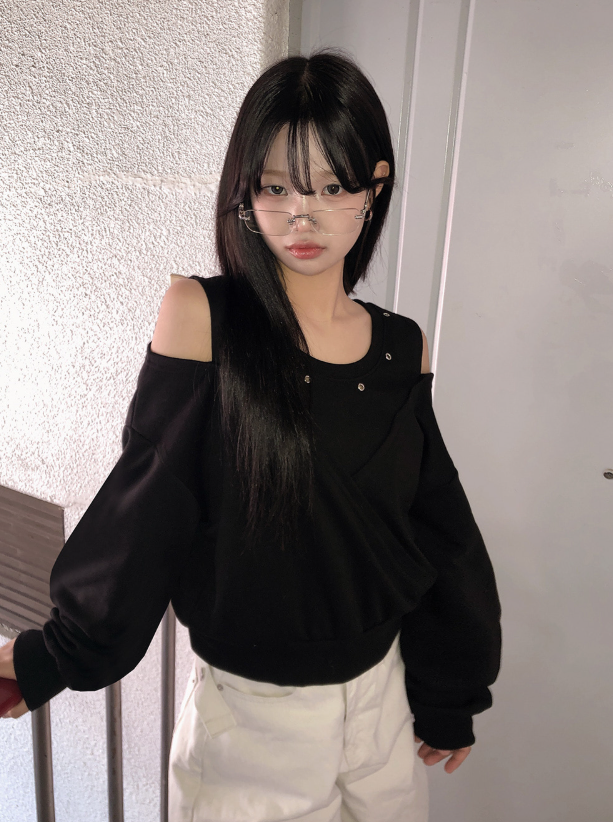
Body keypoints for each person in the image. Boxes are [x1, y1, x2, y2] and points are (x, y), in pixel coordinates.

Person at [0, 50, 501, 821]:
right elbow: (146, 509)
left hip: (384, 708)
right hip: (252, 726)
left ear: (374, 187)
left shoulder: (403, 347)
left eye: (331, 187)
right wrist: (52, 657)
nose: (303, 216)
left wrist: (451, 689)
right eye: (276, 188)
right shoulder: (203, 318)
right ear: (245, 192)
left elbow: (438, 531)